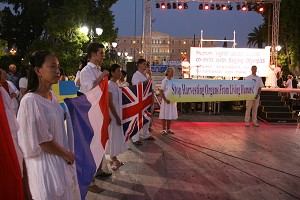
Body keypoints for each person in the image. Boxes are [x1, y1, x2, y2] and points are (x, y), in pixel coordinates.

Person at [16, 50, 80, 199]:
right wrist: (67, 154)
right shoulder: (30, 100)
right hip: (44, 167)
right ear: (38, 70)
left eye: (58, 67)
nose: (57, 71)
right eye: (52, 66)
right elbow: (42, 140)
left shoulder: (53, 97)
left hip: (59, 162)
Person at [79, 42, 111, 192]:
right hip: (91, 111)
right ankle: (89, 181)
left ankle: (98, 169)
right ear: (92, 54)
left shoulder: (97, 69)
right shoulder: (86, 70)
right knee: (91, 144)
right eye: (100, 53)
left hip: (100, 110)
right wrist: (103, 76)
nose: (103, 55)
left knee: (99, 141)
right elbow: (89, 88)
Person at [106, 64, 128, 170]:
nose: (120, 73)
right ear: (112, 72)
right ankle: (113, 159)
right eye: (118, 71)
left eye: (120, 71)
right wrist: (116, 116)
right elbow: (110, 102)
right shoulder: (109, 84)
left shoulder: (116, 84)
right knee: (113, 135)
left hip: (118, 113)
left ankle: (114, 157)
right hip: (113, 114)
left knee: (116, 135)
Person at [131, 58, 155, 146]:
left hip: (147, 99)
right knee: (137, 119)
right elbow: (137, 87)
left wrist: (152, 97)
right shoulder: (136, 75)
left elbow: (150, 87)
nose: (146, 65)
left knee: (147, 117)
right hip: (139, 100)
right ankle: (135, 138)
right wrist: (148, 80)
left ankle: (146, 134)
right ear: (139, 65)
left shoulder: (147, 75)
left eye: (146, 64)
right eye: (144, 64)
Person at [159, 67, 178, 134]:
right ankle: (164, 129)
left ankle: (168, 128)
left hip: (172, 100)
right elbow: (161, 90)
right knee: (164, 114)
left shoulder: (174, 80)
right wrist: (164, 99)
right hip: (166, 100)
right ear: (167, 72)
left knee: (170, 114)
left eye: (173, 71)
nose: (172, 73)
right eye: (171, 71)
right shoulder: (165, 81)